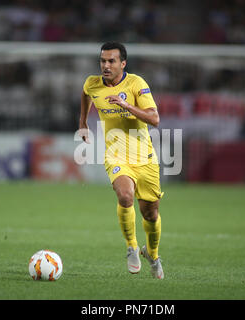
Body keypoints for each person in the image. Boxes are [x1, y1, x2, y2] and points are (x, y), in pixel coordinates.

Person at [79, 42, 164, 279]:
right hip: (115, 155)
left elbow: (154, 118)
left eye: (111, 61)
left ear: (123, 64)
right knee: (125, 196)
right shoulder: (92, 83)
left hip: (145, 158)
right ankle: (132, 247)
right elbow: (86, 94)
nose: (105, 65)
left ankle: (154, 255)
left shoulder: (136, 83)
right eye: (103, 61)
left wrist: (127, 105)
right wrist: (82, 122)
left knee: (151, 214)